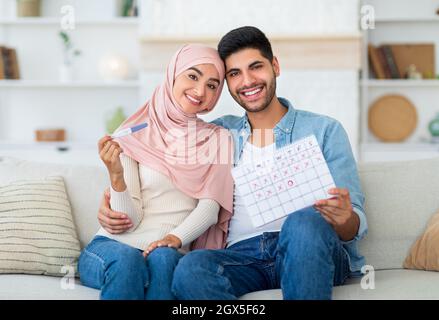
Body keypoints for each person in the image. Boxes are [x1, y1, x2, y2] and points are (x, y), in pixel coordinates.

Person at [98, 26, 367, 300]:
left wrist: (346, 219)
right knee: (192, 267)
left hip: (308, 245)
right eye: (234, 74)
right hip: (242, 256)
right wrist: (113, 200)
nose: (248, 81)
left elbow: (354, 223)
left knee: (302, 222)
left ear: (275, 66)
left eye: (256, 67)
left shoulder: (324, 130)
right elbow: (158, 157)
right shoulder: (216, 135)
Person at [78, 44, 234, 300]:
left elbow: (210, 209)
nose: (200, 90)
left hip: (170, 246)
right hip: (112, 247)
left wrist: (174, 238)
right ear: (173, 74)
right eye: (193, 76)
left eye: (212, 85)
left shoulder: (219, 139)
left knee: (164, 260)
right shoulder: (134, 132)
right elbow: (130, 219)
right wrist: (116, 177)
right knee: (129, 261)